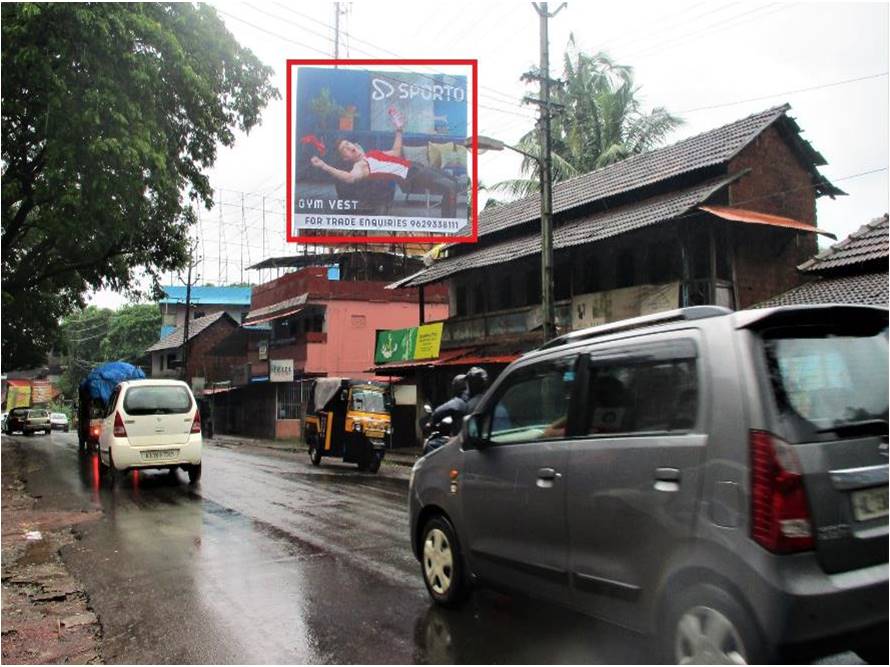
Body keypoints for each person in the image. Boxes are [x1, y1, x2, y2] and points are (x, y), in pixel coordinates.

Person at [310, 107, 459, 218]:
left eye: (349, 143)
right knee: (450, 187)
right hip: (411, 175)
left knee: (455, 184)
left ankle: (450, 221)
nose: (350, 146)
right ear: (346, 158)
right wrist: (324, 166)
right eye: (345, 149)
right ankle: (452, 230)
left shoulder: (373, 154)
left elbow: (395, 152)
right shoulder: (360, 166)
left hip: (416, 166)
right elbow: (349, 177)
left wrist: (399, 130)